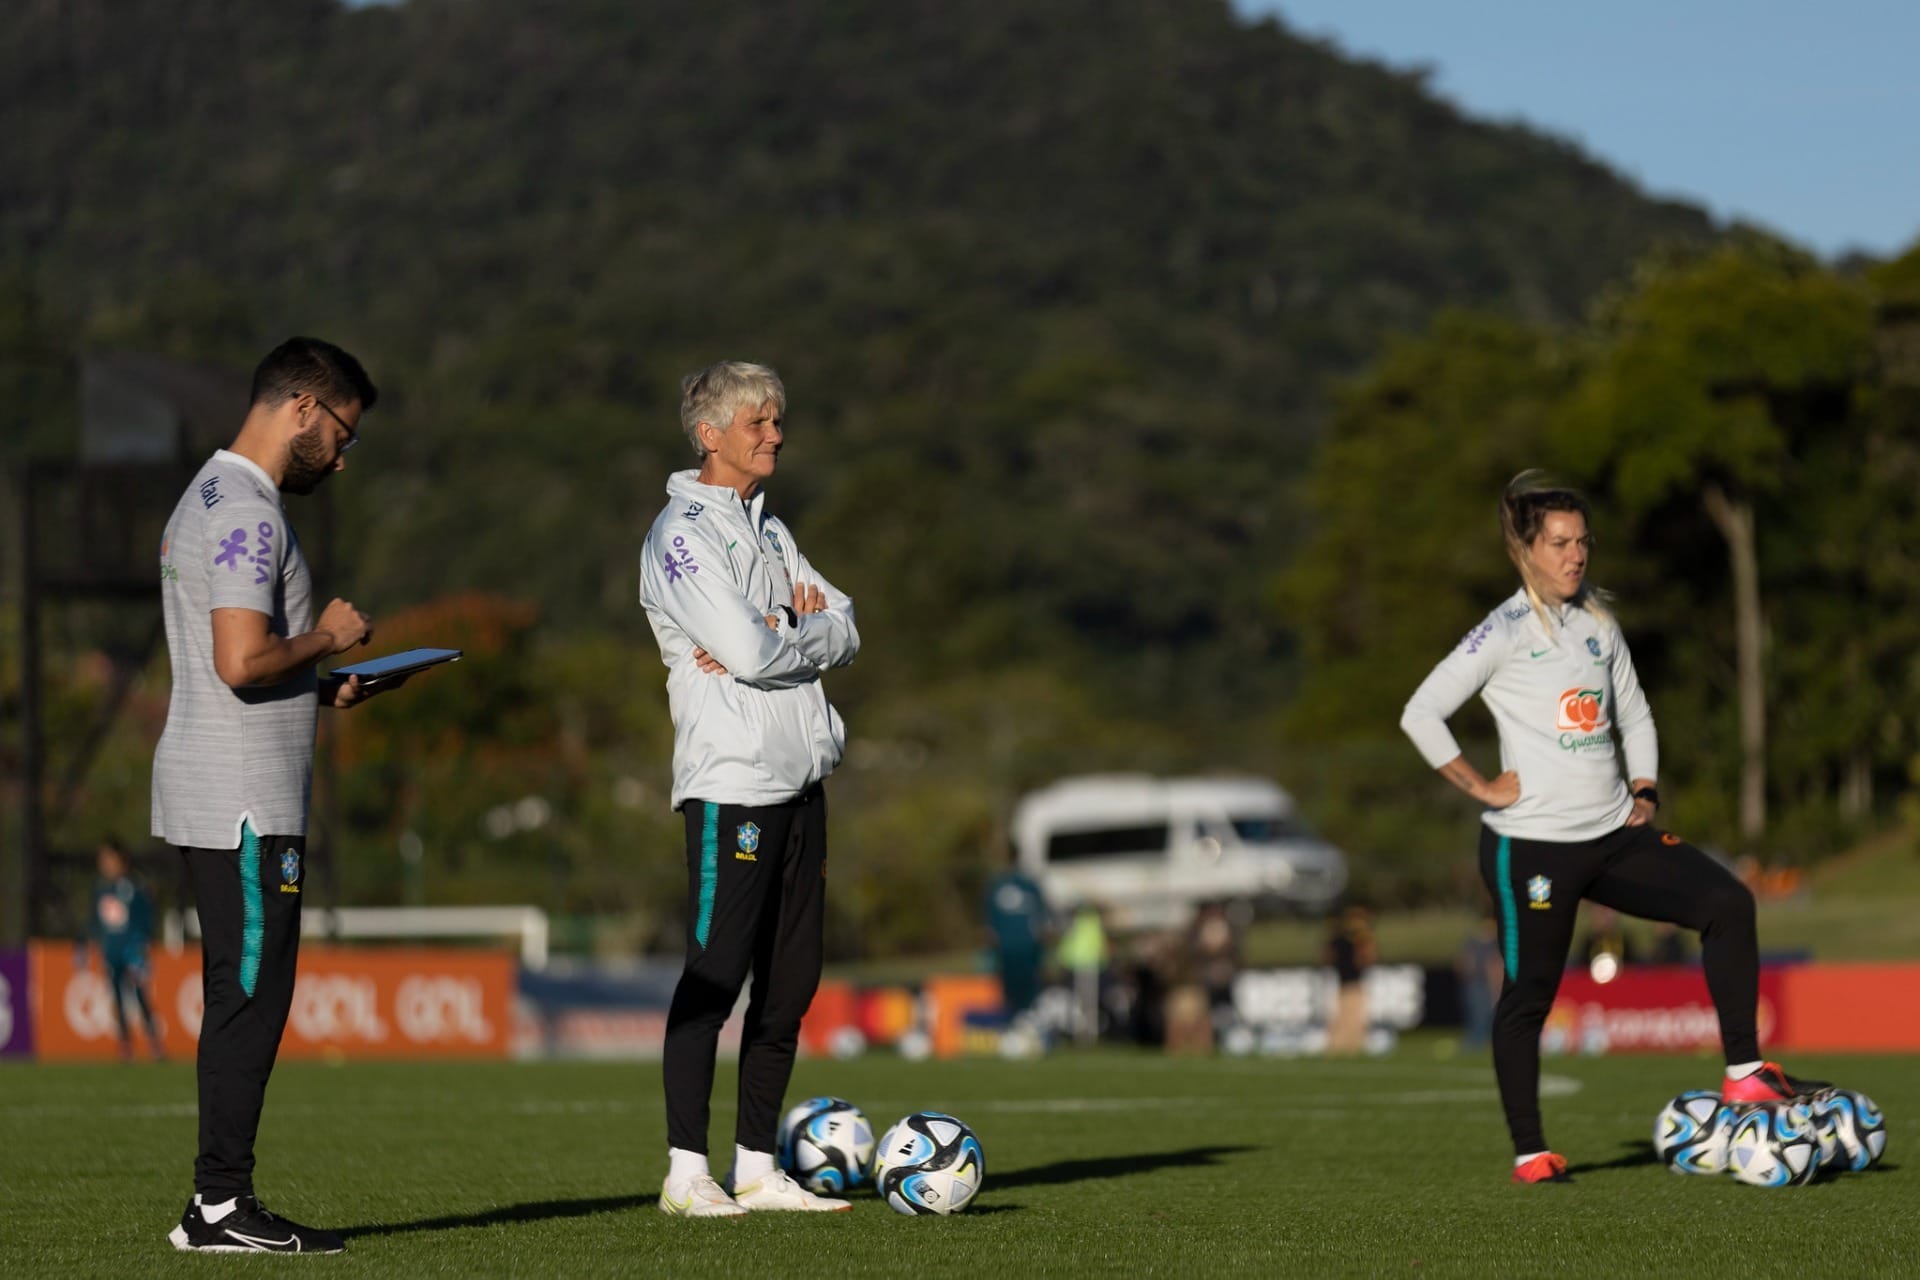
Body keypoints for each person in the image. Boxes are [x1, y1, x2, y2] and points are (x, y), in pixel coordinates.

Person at [1399, 471, 1821, 1185]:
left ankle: (1745, 1071)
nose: (1575, 556)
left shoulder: (1598, 623)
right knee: (1529, 996)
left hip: (1613, 837)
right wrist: (1480, 784)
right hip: (1530, 846)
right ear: (1525, 550)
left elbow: (1635, 715)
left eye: (1582, 542)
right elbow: (1420, 713)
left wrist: (1645, 788)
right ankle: (1532, 1153)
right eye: (1559, 544)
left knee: (1729, 903)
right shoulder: (1501, 631)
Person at [153, 337, 411, 1253]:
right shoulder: (252, 513)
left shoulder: (208, 494)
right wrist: (329, 637)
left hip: (214, 783)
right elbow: (241, 660)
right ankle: (219, 1206)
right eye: (343, 433)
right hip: (245, 801)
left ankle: (218, 1203)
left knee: (241, 990)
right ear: (303, 406)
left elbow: (252, 667)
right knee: (251, 997)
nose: (342, 456)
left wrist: (323, 687)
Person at [639, 361, 860, 1217]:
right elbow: (753, 652)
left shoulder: (770, 529)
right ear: (711, 434)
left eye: (776, 420)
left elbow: (844, 621)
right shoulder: (682, 535)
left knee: (791, 983)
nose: (775, 434)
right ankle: (686, 1174)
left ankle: (759, 1168)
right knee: (715, 975)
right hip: (733, 786)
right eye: (760, 422)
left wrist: (791, 627)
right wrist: (790, 631)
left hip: (803, 783)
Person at [88, 837, 165, 1061]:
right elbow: (95, 921)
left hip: (132, 951)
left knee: (141, 996)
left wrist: (142, 944)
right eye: (103, 860)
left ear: (121, 861)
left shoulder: (135, 887)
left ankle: (154, 1042)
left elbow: (146, 917)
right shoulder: (101, 889)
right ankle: (125, 1044)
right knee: (117, 997)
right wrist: (89, 941)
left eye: (109, 859)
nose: (105, 864)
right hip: (111, 952)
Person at [982, 856, 1050, 1021]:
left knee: (1018, 986)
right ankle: (1021, 1018)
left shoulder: (1000, 886)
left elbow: (989, 926)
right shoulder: (1026, 886)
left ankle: (1021, 1018)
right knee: (1022, 985)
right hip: (1021, 946)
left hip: (1014, 947)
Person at [1323, 904, 1375, 1054]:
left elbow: (1327, 957)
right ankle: (1341, 1047)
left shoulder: (1343, 939)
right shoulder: (1352, 940)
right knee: (1348, 1018)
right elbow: (1366, 959)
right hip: (1349, 983)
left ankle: (1347, 1047)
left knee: (1349, 1018)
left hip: (1347, 983)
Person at [1455, 912, 1502, 1052]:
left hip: (1484, 985)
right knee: (1476, 1013)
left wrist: (1496, 989)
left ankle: (1481, 1042)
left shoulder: (1493, 944)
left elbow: (1495, 967)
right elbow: (1463, 964)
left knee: (1486, 1015)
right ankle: (1475, 1041)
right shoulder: (1472, 943)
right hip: (1475, 984)